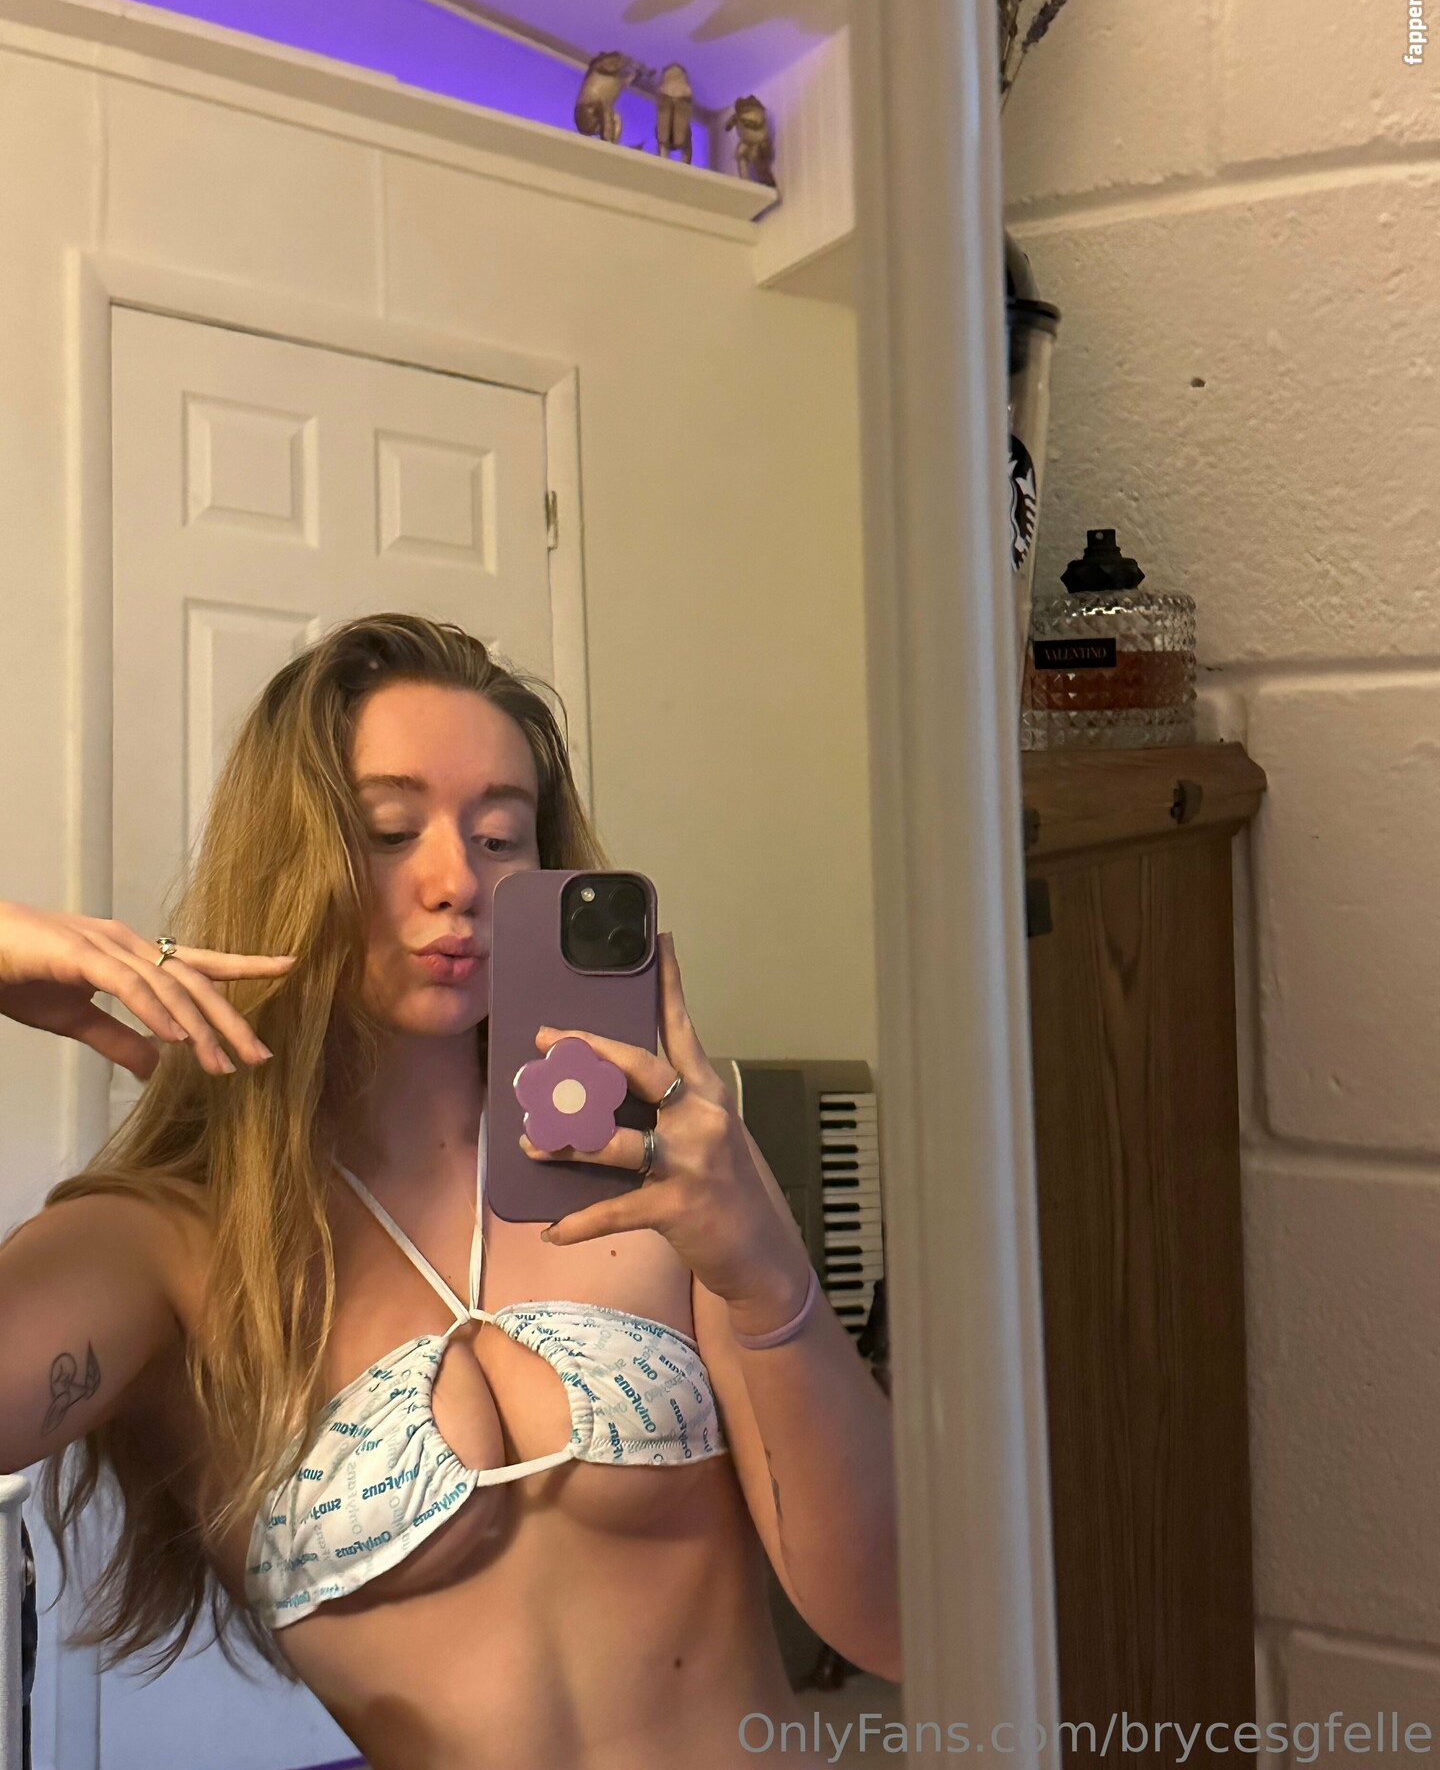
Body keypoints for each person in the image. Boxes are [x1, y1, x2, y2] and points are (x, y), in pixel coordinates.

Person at [0, 614, 900, 1770]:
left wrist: (769, 1283)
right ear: (288, 860)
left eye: (499, 837)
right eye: (388, 831)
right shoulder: (169, 1247)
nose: (457, 881)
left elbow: (892, 1622)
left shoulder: (664, 1163)